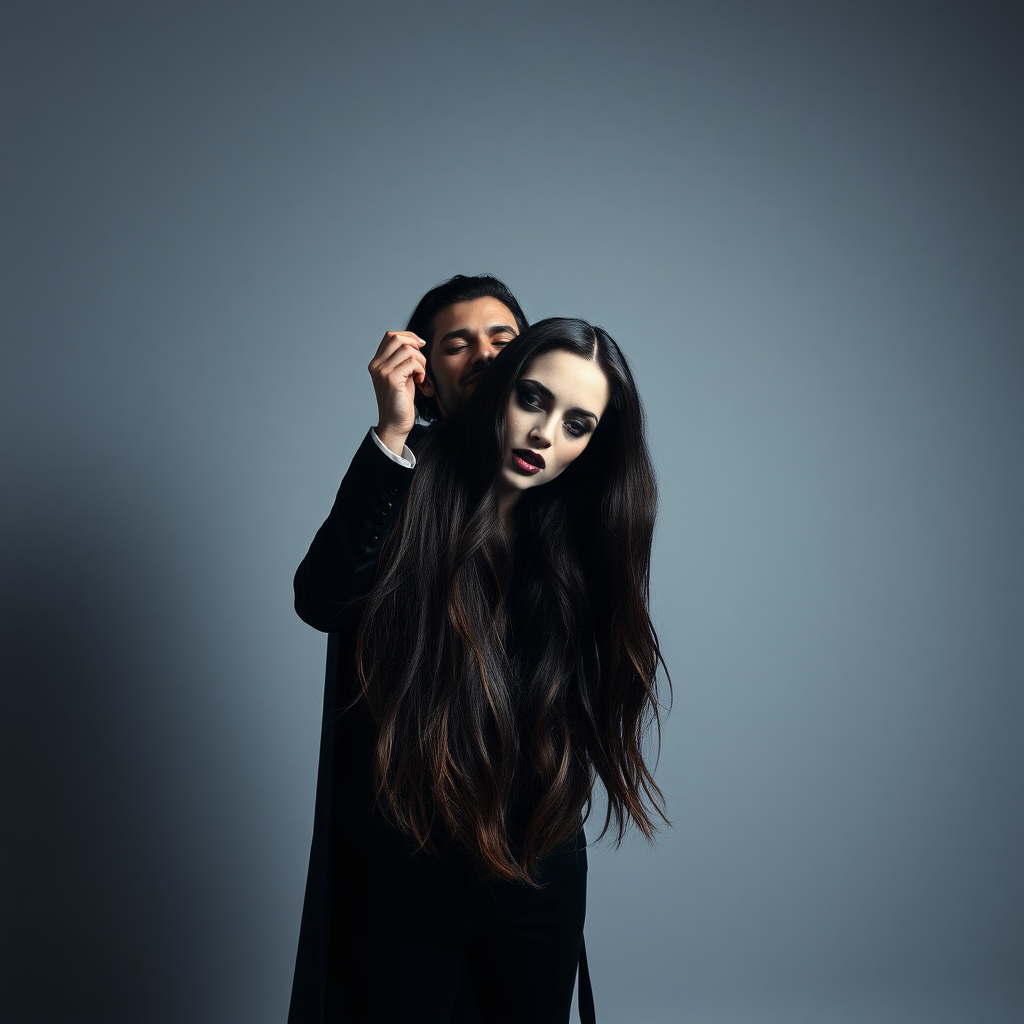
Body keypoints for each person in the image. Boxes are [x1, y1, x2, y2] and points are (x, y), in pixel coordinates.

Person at [289, 315, 667, 1023]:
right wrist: (391, 439)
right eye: (533, 399)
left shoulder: (584, 532)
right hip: (407, 865)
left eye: (578, 424)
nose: (545, 435)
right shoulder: (410, 489)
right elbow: (321, 597)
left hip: (535, 866)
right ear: (498, 393)